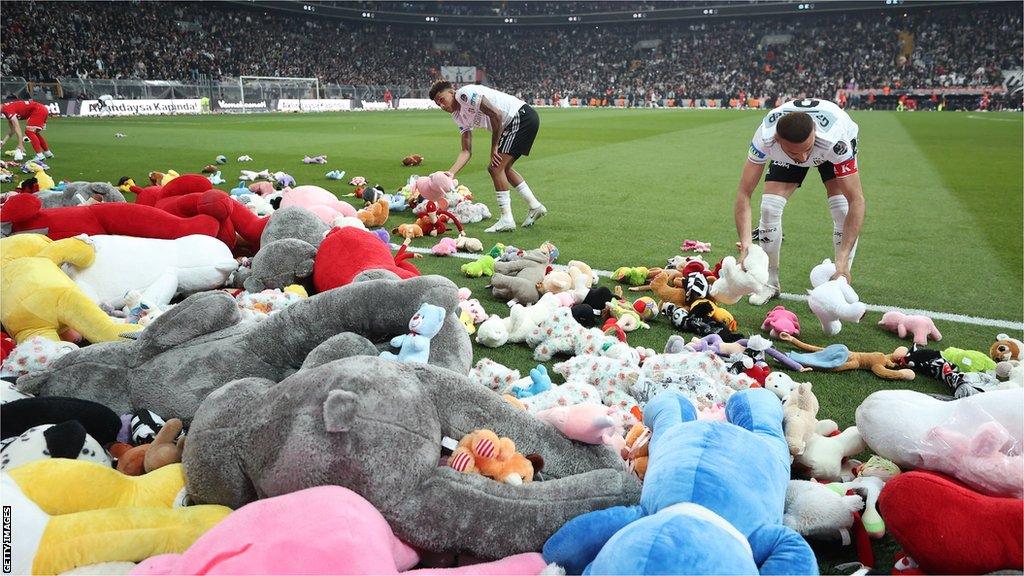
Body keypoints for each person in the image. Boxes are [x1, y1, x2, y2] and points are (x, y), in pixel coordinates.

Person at [734, 97, 864, 305]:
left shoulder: (836, 140)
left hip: (827, 152)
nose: (803, 159)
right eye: (797, 152)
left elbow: (856, 200)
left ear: (814, 131)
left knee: (842, 207)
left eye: (807, 149)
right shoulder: (766, 137)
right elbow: (744, 193)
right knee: (769, 207)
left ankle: (841, 278)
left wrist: (842, 260)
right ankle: (769, 282)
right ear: (777, 140)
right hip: (791, 152)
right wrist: (746, 248)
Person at [429, 79, 546, 232]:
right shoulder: (457, 116)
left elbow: (496, 114)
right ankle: (535, 206)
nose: (442, 105)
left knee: (495, 168)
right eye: (438, 104)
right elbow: (466, 150)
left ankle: (506, 218)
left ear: (452, 93)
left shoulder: (464, 94)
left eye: (442, 99)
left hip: (519, 116)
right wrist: (451, 173)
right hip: (516, 121)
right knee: (504, 168)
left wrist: (494, 146)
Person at [1, 96, 52, 161]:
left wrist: (20, 145)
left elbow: (17, 128)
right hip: (42, 109)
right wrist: (3, 142)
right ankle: (48, 153)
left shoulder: (7, 110)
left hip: (39, 110)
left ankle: (39, 155)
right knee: (34, 132)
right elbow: (12, 131)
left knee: (29, 132)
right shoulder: (6, 110)